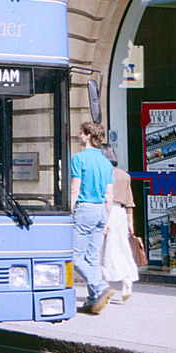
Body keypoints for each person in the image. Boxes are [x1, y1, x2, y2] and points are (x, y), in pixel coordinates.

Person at [70, 122, 115, 314]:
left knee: (75, 255)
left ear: (88, 136)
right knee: (92, 258)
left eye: (81, 133)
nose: (79, 136)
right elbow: (110, 195)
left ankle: (100, 287)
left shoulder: (78, 159)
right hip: (101, 211)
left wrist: (69, 212)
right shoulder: (106, 162)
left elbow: (74, 189)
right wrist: (107, 219)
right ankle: (92, 300)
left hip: (85, 209)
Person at [99, 144, 139, 301]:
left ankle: (104, 288)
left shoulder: (102, 173)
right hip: (121, 214)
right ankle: (127, 277)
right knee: (122, 248)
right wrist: (131, 224)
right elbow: (129, 202)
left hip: (105, 211)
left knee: (103, 252)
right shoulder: (124, 175)